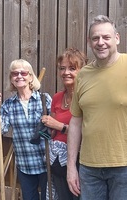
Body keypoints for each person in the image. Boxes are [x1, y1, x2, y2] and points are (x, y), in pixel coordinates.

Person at [66, 15, 127, 200]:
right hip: (89, 167)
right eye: (95, 38)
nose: (101, 42)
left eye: (106, 37)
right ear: (89, 42)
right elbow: (75, 122)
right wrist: (71, 166)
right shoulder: (83, 76)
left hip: (126, 165)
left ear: (117, 38)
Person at [0, 59, 52, 200]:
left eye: (23, 72)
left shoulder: (44, 99)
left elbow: (54, 127)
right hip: (25, 163)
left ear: (31, 77)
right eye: (15, 73)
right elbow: (1, 130)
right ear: (11, 79)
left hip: (46, 161)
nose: (19, 76)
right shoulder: (8, 105)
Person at [40, 47, 87, 200]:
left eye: (72, 68)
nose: (66, 72)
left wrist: (59, 126)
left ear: (82, 71)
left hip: (79, 161)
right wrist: (45, 127)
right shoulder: (57, 97)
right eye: (62, 68)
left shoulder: (86, 98)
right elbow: (52, 132)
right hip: (58, 162)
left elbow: (87, 132)